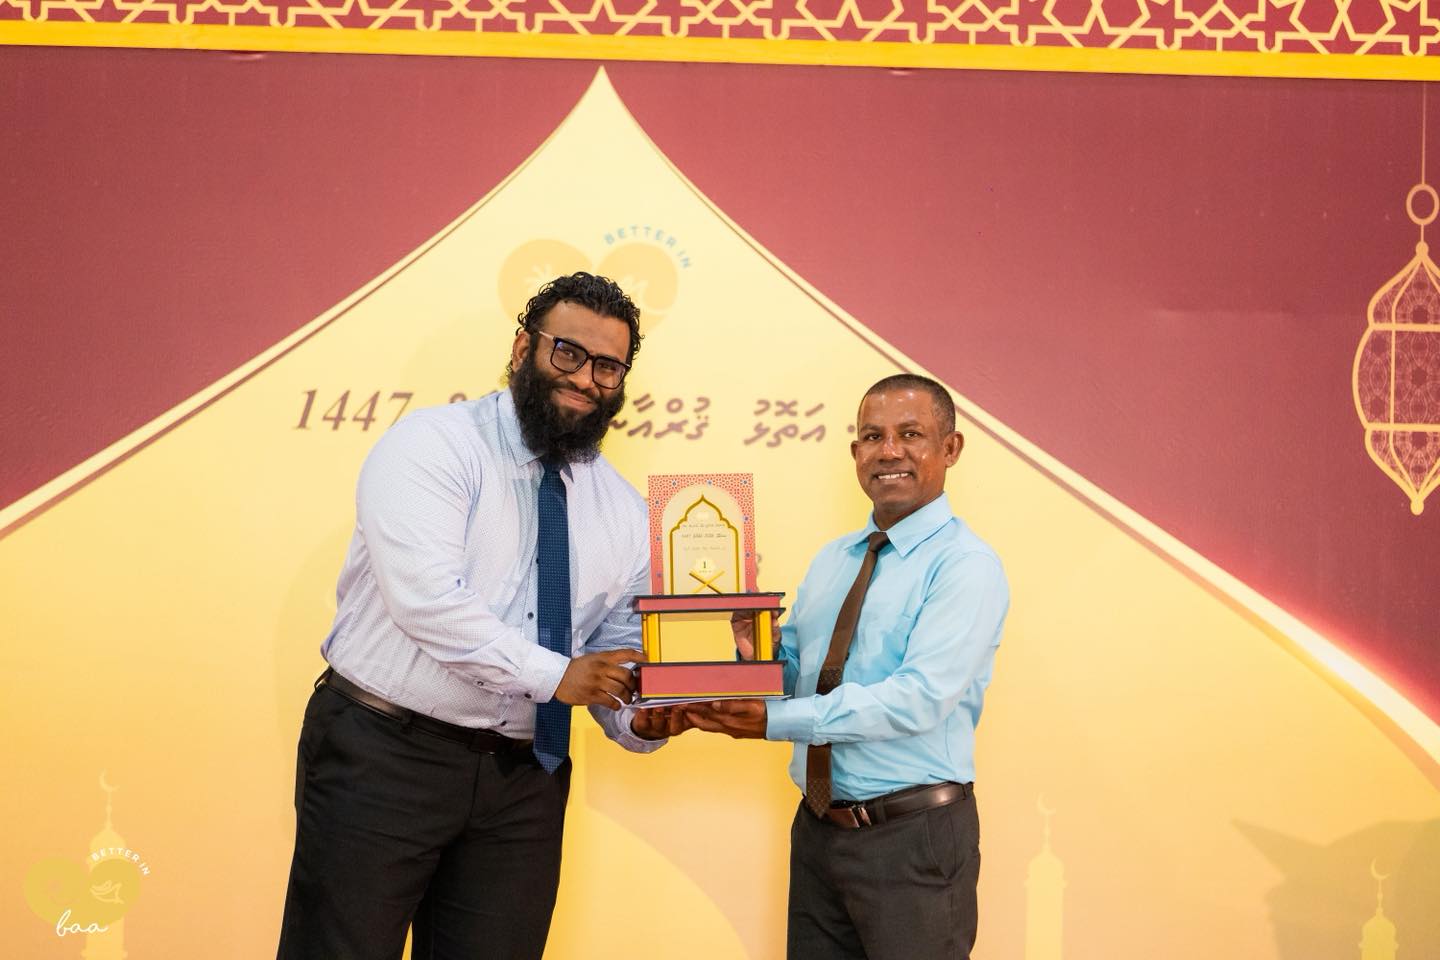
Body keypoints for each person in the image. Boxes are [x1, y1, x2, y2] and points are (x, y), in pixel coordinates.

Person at [277, 272, 689, 960]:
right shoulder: (434, 445)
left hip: (525, 780)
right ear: (524, 347)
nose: (586, 379)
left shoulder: (622, 509)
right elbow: (427, 600)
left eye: (607, 366)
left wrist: (640, 716)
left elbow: (616, 647)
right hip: (384, 754)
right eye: (568, 353)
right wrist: (557, 676)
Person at [687, 373, 1009, 960]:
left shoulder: (966, 566)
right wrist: (756, 651)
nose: (889, 451)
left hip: (913, 839)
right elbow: (798, 680)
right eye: (873, 436)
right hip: (818, 830)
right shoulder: (833, 559)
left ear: (950, 448)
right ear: (855, 451)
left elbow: (917, 699)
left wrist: (772, 721)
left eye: (910, 434)